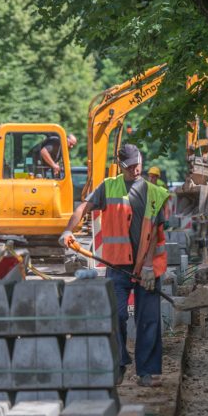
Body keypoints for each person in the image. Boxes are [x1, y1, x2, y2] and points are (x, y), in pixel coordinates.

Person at [60, 144, 170, 387]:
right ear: (120, 166)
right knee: (117, 315)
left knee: (148, 319)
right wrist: (69, 230)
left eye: (137, 164)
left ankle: (146, 373)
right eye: (129, 166)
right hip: (117, 265)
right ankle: (120, 363)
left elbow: (154, 232)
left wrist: (150, 267)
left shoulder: (155, 193)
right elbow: (83, 208)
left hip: (147, 267)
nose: (135, 169)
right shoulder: (109, 187)